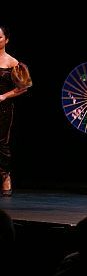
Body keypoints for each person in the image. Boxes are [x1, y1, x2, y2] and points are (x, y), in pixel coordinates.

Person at [0, 25, 31, 197]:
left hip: (3, 109)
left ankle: (5, 176)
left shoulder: (12, 62)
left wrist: (4, 96)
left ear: (6, 40)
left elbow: (23, 87)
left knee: (2, 144)